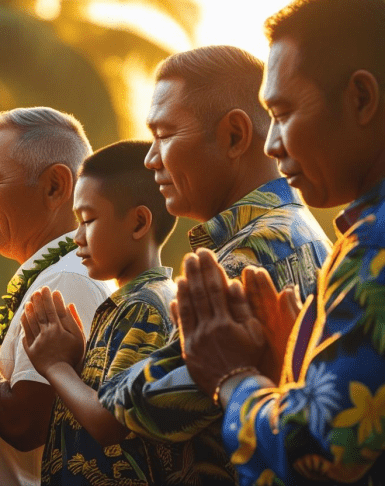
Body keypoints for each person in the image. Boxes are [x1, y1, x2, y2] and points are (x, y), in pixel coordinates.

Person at [95, 45, 333, 483]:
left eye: (164, 135)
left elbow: (151, 404)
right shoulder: (301, 229)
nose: (150, 159)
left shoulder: (248, 255)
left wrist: (90, 368)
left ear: (234, 137)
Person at [177, 1, 385, 484]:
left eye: (284, 112)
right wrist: (293, 367)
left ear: (360, 98)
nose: (271, 144)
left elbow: (316, 452)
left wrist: (231, 376)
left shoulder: (374, 247)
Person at [0, 107, 114, 485]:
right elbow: (9, 406)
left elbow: (24, 425)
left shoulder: (67, 279)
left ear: (54, 187)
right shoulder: (55, 274)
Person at [19, 140, 178, 484]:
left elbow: (111, 421)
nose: (77, 237)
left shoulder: (143, 306)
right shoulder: (131, 301)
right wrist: (78, 362)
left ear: (138, 223)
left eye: (88, 220)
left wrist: (55, 367)